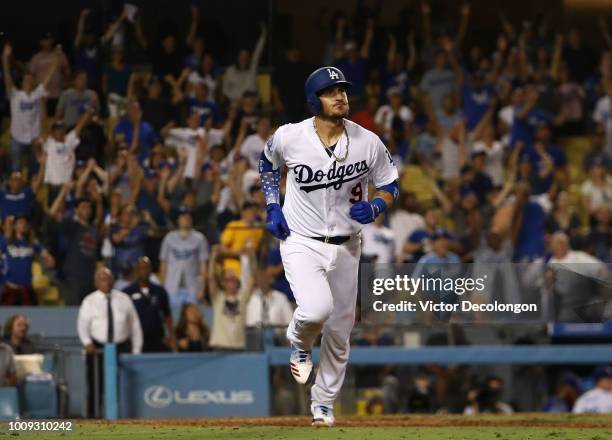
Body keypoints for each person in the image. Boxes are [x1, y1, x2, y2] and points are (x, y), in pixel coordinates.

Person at [259, 66, 399, 426]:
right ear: (313, 100)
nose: (340, 96)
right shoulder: (290, 136)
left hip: (348, 245)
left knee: (340, 330)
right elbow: (267, 163)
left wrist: (379, 205)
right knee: (316, 310)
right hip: (301, 241)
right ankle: (298, 341)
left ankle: (323, 403)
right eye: (330, 91)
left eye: (342, 90)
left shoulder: (367, 141)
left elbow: (390, 183)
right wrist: (273, 204)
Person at [2, 43, 60, 173]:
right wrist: (5, 58)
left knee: (34, 171)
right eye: (26, 79)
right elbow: (7, 76)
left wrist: (56, 59)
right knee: (15, 171)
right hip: (17, 139)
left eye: (31, 80)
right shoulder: (15, 94)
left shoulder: (37, 93)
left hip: (34, 139)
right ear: (22, 83)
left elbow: (49, 76)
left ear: (34, 82)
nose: (28, 81)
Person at [77, 267, 143, 354]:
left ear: (113, 281)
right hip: (98, 348)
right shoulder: (89, 301)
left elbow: (135, 326)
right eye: (103, 280)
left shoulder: (124, 299)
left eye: (109, 279)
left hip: (122, 348)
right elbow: (82, 325)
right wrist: (87, 342)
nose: (107, 283)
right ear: (96, 283)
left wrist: (136, 350)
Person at [49, 193, 98, 305]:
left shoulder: (93, 229)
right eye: (83, 206)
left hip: (90, 278)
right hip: (73, 278)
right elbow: (52, 214)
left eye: (89, 207)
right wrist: (62, 193)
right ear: (76, 210)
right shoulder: (70, 225)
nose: (87, 209)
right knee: (73, 312)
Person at [208, 245, 255, 350]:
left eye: (234, 279)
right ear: (223, 283)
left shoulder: (242, 296)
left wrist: (252, 256)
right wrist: (213, 257)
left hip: (238, 347)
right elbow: (211, 278)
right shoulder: (217, 297)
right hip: (219, 346)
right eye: (229, 279)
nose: (233, 282)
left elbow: (253, 278)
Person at [124, 257, 175, 352]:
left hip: (156, 338)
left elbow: (167, 315)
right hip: (134, 339)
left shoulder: (160, 291)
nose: (144, 271)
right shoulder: (127, 293)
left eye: (146, 268)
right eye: (141, 268)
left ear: (151, 270)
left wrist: (171, 336)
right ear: (136, 271)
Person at [159, 208, 209, 306]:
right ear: (178, 219)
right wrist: (163, 288)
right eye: (183, 216)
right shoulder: (169, 238)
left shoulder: (200, 238)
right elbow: (163, 265)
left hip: (193, 287)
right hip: (171, 286)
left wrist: (202, 289)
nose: (186, 218)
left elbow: (203, 266)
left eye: (188, 216)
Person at [0, 216, 54, 305]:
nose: (23, 225)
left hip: (27, 289)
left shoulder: (32, 242)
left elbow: (46, 255)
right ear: (14, 226)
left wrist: (49, 260)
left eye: (25, 223)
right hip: (10, 288)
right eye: (20, 223)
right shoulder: (6, 241)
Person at [222, 23, 267, 103]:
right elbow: (225, 89)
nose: (244, 58)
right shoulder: (230, 70)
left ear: (249, 58)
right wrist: (235, 98)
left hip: (251, 103)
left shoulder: (252, 68)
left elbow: (258, 52)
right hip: (236, 102)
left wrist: (263, 36)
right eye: (242, 56)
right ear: (238, 57)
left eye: (246, 56)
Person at [28, 32, 71, 114]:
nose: (48, 42)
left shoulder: (60, 55)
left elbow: (67, 72)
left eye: (49, 39)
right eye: (45, 40)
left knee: (57, 120)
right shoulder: (36, 58)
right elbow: (30, 76)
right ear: (41, 42)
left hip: (58, 94)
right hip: (42, 96)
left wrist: (66, 84)